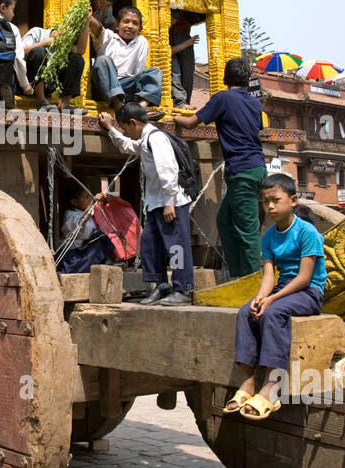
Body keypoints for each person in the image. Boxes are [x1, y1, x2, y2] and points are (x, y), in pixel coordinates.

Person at [225, 172, 326, 420]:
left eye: (275, 200)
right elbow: (268, 274)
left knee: (272, 312)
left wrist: (271, 301)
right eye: (265, 201)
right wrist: (260, 297)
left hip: (308, 292)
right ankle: (247, 382)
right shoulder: (269, 235)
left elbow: (304, 277)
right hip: (282, 289)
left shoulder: (307, 232)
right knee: (245, 312)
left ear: (292, 201)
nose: (269, 206)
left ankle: (272, 386)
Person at [173, 55, 267, 277]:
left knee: (248, 230)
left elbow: (190, 123)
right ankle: (238, 273)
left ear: (225, 78)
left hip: (242, 171)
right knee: (224, 221)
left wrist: (173, 116)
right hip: (257, 167)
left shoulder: (222, 98)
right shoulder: (255, 103)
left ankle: (252, 282)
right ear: (247, 79)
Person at [98, 102, 193, 304]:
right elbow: (129, 146)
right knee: (151, 244)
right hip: (156, 202)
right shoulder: (146, 139)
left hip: (170, 201)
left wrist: (169, 202)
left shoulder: (156, 138)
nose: (125, 132)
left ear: (133, 123)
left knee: (176, 247)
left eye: (124, 128)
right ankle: (161, 286)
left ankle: (183, 289)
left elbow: (168, 170)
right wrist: (111, 129)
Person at [89, 6, 163, 113]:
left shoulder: (142, 42)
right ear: (117, 25)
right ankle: (118, 106)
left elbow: (139, 73)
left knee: (155, 72)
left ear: (140, 29)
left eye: (135, 23)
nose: (130, 26)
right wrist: (90, 17)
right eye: (126, 21)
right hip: (104, 86)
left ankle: (140, 109)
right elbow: (98, 29)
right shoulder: (109, 37)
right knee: (103, 60)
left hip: (127, 86)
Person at [23, 12, 90, 110]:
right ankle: (41, 100)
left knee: (77, 59)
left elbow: (81, 50)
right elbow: (21, 51)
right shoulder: (38, 32)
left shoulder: (66, 45)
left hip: (49, 84)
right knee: (39, 51)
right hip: (30, 82)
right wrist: (45, 42)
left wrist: (87, 21)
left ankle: (64, 104)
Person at [58, 186, 118, 274]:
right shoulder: (71, 215)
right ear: (74, 202)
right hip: (75, 257)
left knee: (107, 236)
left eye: (90, 196)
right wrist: (92, 203)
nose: (90, 199)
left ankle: (111, 260)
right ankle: (108, 262)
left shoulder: (89, 214)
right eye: (86, 197)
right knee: (101, 237)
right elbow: (80, 223)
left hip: (86, 252)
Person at [169, 9, 201, 106]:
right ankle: (180, 102)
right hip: (167, 36)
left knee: (187, 73)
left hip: (184, 34)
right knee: (174, 71)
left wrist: (188, 42)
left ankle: (185, 102)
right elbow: (169, 51)